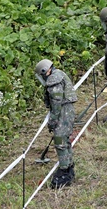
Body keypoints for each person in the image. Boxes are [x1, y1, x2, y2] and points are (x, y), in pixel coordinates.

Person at [34, 59, 77, 188]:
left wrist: (52, 121)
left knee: (60, 142)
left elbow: (56, 103)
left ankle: (65, 171)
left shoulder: (54, 81)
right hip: (67, 110)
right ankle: (68, 167)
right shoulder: (59, 74)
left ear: (45, 71)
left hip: (63, 112)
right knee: (64, 140)